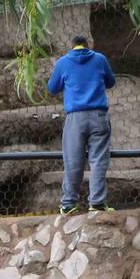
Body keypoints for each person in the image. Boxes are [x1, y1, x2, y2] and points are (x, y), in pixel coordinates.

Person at [47, 33, 117, 214]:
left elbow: (52, 88)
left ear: (72, 46)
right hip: (99, 116)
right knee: (98, 160)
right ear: (88, 45)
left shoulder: (63, 62)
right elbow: (111, 82)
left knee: (73, 160)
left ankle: (68, 203)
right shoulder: (100, 59)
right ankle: (97, 202)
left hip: (75, 118)